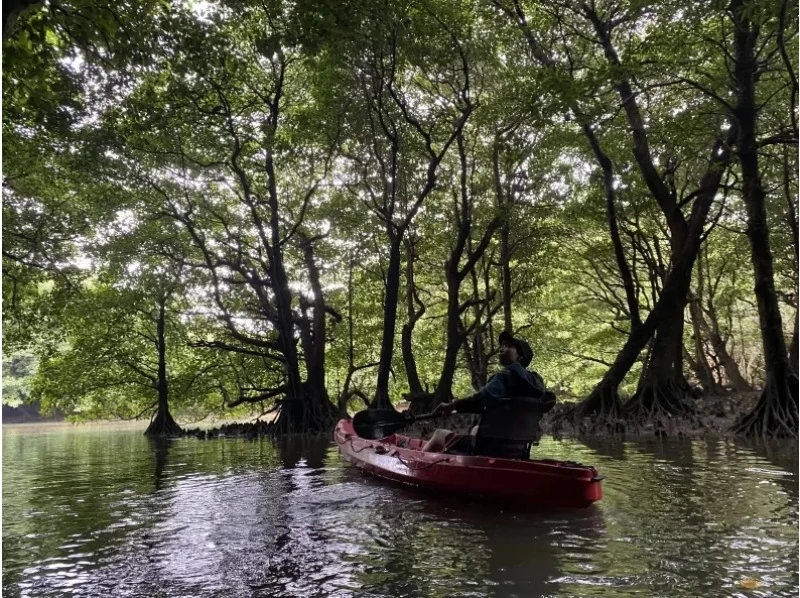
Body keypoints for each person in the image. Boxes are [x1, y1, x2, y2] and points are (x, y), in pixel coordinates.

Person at [421, 330, 548, 453]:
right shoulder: (537, 383)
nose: (501, 349)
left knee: (439, 434)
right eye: (501, 346)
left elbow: (482, 399)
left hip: (488, 448)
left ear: (520, 357)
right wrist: (457, 409)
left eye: (508, 346)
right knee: (475, 429)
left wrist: (452, 405)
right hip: (518, 449)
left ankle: (418, 465)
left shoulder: (504, 376)